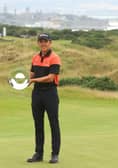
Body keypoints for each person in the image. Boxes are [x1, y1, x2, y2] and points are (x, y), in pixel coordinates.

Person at [27, 33, 61, 164]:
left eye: (45, 41)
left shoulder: (55, 58)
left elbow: (51, 77)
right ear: (38, 43)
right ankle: (38, 153)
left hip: (50, 93)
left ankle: (55, 154)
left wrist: (33, 79)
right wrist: (20, 80)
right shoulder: (35, 57)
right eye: (41, 41)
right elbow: (31, 74)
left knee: (54, 123)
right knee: (38, 124)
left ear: (50, 42)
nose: (43, 43)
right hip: (37, 93)